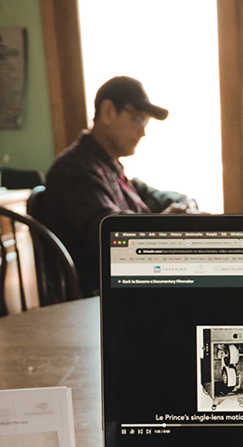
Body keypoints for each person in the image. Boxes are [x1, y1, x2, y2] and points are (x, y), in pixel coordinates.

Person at [34, 76, 194, 296]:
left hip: (125, 286)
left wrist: (185, 205)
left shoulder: (109, 167)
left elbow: (153, 196)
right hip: (98, 297)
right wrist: (164, 224)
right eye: (137, 120)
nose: (143, 132)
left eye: (145, 123)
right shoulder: (75, 171)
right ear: (108, 111)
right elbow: (110, 234)